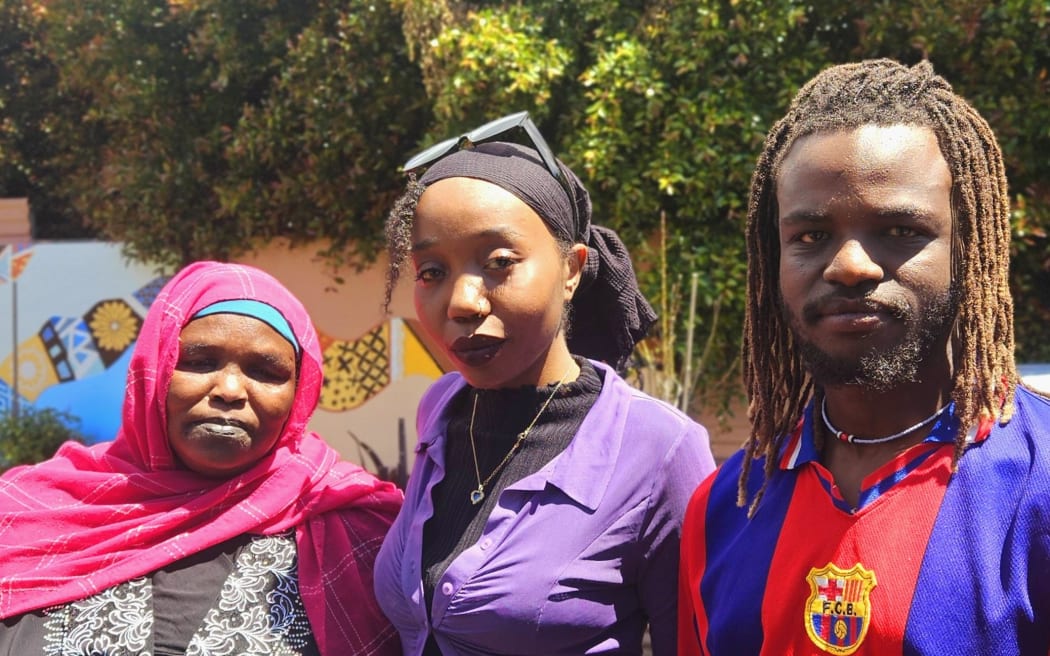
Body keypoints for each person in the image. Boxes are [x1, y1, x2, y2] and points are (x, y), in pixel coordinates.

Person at [678, 58, 1050, 655]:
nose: (850, 265)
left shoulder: (1039, 482)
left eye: (901, 229)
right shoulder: (723, 506)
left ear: (969, 249)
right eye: (809, 236)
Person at [374, 111, 716, 656]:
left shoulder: (660, 448)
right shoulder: (440, 410)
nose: (462, 302)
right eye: (431, 272)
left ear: (573, 270)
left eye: (499, 262)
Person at [0, 261, 403, 655]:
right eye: (198, 361)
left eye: (265, 371)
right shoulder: (27, 514)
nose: (229, 390)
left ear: (300, 393)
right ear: (155, 370)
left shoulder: (360, 527)